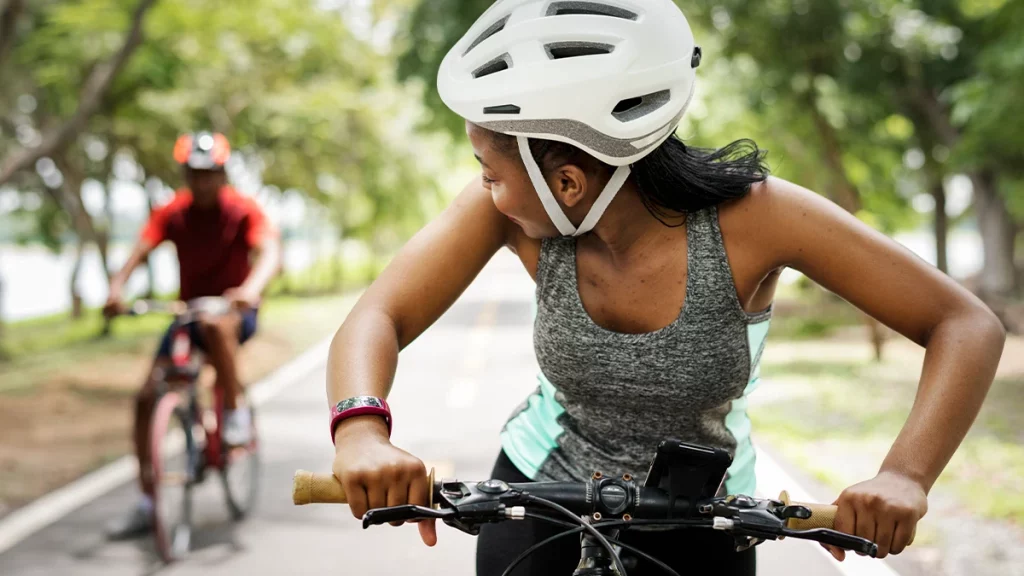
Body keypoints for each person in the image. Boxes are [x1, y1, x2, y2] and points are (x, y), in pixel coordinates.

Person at [326, 1, 1005, 575]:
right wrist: (360, 430)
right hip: (538, 498)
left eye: (488, 169)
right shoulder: (514, 214)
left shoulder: (758, 218)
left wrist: (904, 476)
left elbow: (965, 325)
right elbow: (380, 314)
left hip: (704, 517)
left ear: (568, 181)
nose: (484, 187)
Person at [103, 131, 281, 539]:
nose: (202, 182)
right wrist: (116, 290)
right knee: (147, 396)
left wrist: (250, 291)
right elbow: (137, 253)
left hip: (233, 313)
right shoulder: (172, 212)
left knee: (216, 326)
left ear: (222, 174)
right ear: (185, 174)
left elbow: (271, 252)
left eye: (210, 173)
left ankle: (234, 415)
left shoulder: (242, 209)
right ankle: (148, 502)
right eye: (194, 173)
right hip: (187, 313)